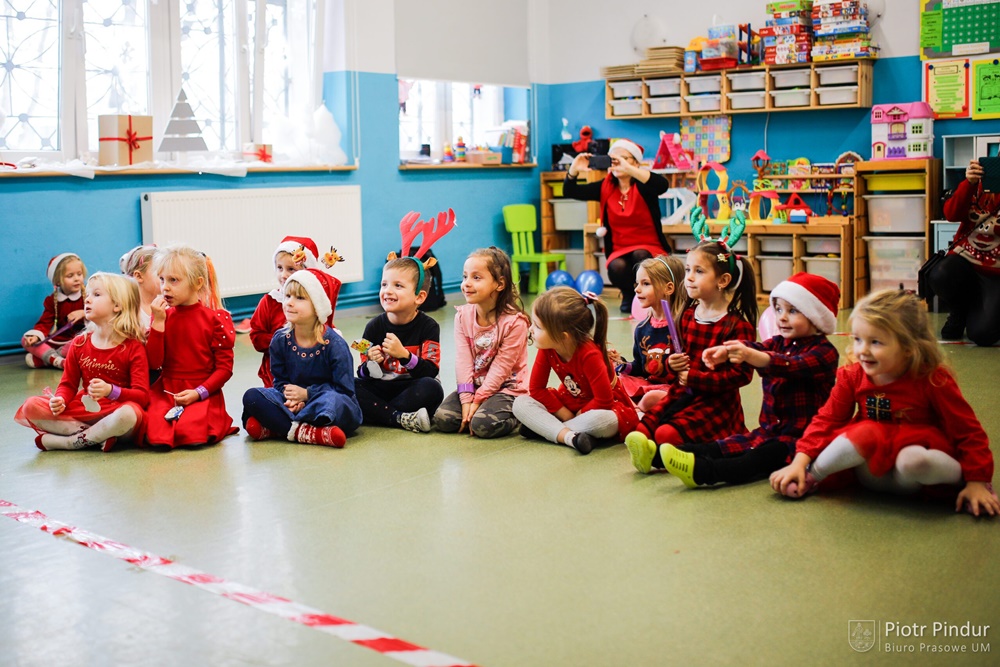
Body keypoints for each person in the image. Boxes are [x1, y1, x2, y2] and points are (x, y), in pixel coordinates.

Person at [770, 289, 999, 517]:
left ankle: (965, 484)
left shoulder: (932, 379)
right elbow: (827, 420)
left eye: (876, 342)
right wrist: (799, 462)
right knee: (864, 433)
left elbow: (967, 431)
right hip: (872, 472)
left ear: (908, 347)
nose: (862, 350)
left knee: (912, 459)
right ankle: (812, 477)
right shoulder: (853, 375)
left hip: (914, 475)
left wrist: (977, 481)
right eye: (858, 339)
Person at [654, 273, 841, 487]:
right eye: (779, 309)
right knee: (726, 445)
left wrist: (751, 356)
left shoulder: (825, 352)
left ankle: (703, 472)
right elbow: (756, 347)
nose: (782, 317)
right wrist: (728, 351)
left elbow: (790, 365)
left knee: (753, 460)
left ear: (816, 317)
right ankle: (658, 456)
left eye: (792, 311)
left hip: (800, 440)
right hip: (769, 431)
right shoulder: (779, 342)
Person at [625, 240, 758, 471]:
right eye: (688, 270)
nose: (689, 278)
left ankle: (661, 457)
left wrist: (695, 378)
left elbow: (742, 376)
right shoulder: (687, 316)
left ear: (723, 281)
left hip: (716, 403)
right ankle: (656, 454)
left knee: (666, 433)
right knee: (643, 429)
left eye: (699, 271)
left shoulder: (737, 326)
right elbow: (680, 360)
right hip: (683, 393)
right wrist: (671, 363)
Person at [15, 272, 149, 451]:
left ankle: (69, 442)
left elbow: (142, 396)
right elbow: (68, 384)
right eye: (88, 294)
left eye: (97, 294)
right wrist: (61, 399)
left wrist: (110, 391)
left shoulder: (133, 347)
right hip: (84, 410)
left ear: (117, 305)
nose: (87, 299)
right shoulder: (79, 343)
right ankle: (94, 437)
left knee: (129, 414)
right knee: (31, 406)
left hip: (115, 412)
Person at [242, 268, 361, 447]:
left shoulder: (335, 344)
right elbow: (280, 381)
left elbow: (344, 390)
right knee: (252, 396)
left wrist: (307, 394)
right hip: (295, 403)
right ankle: (306, 432)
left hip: (324, 401)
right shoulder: (280, 339)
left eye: (299, 298)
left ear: (317, 306)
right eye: (287, 296)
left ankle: (278, 427)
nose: (289, 303)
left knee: (333, 402)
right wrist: (290, 398)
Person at [512, 286, 638, 455]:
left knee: (603, 421)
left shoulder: (590, 354)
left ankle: (547, 430)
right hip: (570, 403)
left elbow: (604, 400)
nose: (530, 330)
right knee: (520, 404)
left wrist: (578, 415)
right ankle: (571, 437)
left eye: (538, 327)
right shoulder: (548, 347)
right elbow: (536, 389)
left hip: (600, 409)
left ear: (563, 336)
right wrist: (566, 414)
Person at [145, 245, 238, 448]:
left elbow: (224, 369)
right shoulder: (161, 316)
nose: (165, 287)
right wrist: (158, 324)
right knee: (154, 432)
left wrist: (199, 392)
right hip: (166, 390)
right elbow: (154, 362)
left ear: (198, 283)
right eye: (162, 279)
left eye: (173, 280)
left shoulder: (215, 320)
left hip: (202, 390)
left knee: (191, 432)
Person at [564, 139, 672, 312]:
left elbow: (662, 185)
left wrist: (629, 169)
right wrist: (574, 169)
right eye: (614, 159)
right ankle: (629, 294)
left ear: (636, 163)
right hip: (619, 248)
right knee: (616, 266)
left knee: (640, 255)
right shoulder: (605, 186)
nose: (618, 163)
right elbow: (570, 191)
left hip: (649, 246)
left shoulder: (644, 185)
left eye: (624, 158)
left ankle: (647, 295)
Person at [433, 247, 529, 438]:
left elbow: (501, 368)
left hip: (508, 389)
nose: (466, 283)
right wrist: (466, 399)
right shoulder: (462, 316)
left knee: (482, 425)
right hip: (476, 385)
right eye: (465, 276)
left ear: (499, 284)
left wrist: (478, 401)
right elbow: (463, 361)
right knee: (443, 419)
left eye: (476, 278)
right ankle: (479, 409)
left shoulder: (515, 323)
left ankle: (520, 415)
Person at [354, 256, 444, 433]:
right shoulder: (372, 326)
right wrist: (371, 363)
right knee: (349, 385)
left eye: (398, 286)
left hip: (411, 388)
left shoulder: (429, 326)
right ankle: (398, 417)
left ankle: (380, 413)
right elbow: (362, 374)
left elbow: (431, 371)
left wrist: (405, 356)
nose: (387, 291)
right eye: (384, 284)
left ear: (419, 297)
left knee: (432, 388)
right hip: (381, 388)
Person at [249, 236, 339, 387]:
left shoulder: (314, 302)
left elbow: (325, 327)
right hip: (276, 374)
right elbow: (257, 337)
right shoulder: (270, 301)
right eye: (279, 268)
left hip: (310, 371)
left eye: (291, 269)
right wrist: (286, 342)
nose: (283, 275)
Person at [928, 159, 1000, 345]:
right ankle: (958, 312)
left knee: (983, 335)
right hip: (966, 258)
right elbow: (951, 214)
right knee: (940, 274)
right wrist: (969, 183)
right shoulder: (978, 184)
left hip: (995, 270)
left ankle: (980, 310)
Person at [610, 254, 687, 409]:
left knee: (653, 397)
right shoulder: (642, 328)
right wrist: (620, 364)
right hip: (650, 386)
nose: (637, 289)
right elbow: (640, 368)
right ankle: (638, 408)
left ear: (668, 288)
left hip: (674, 389)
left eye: (645, 283)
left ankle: (637, 409)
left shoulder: (684, 325)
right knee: (614, 381)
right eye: (636, 283)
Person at [22, 253, 88, 369]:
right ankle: (59, 361)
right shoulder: (52, 301)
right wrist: (36, 336)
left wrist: (83, 313)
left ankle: (47, 359)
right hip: (58, 340)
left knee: (82, 342)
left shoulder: (89, 295)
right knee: (25, 340)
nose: (77, 279)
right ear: (57, 281)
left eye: (79, 274)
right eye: (70, 276)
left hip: (78, 339)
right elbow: (45, 322)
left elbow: (102, 314)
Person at [119, 245, 160, 329]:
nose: (165, 276)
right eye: (158, 272)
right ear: (139, 276)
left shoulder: (168, 305)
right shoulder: (128, 311)